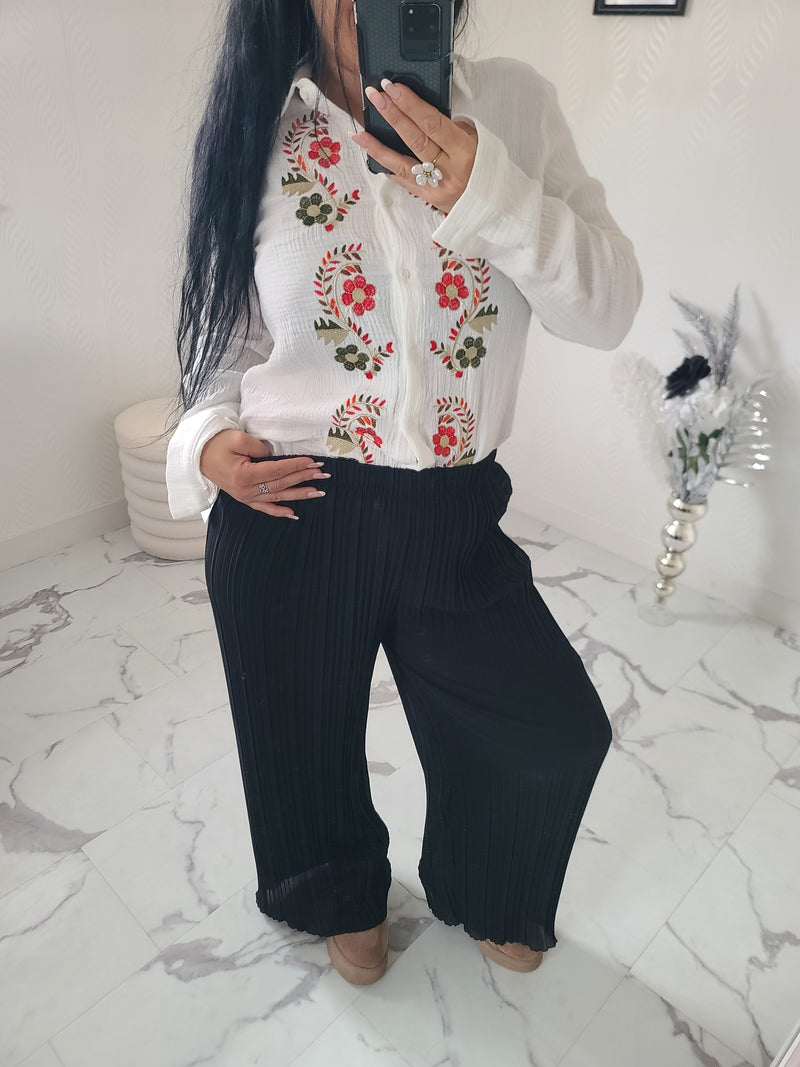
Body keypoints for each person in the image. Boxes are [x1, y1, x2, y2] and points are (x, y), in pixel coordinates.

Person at [165, 0, 642, 986]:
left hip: (451, 510)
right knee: (297, 743)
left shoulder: (512, 106)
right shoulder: (260, 123)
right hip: (293, 505)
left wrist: (488, 191)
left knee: (551, 732)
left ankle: (490, 884)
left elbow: (606, 309)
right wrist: (205, 441)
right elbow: (227, 339)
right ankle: (335, 893)